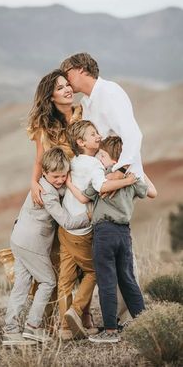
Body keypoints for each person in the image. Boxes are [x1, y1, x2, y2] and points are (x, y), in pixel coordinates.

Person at [60, 52, 145, 322]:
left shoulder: (110, 92)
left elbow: (133, 135)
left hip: (118, 181)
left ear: (81, 69)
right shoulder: (87, 102)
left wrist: (119, 172)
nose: (66, 79)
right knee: (112, 250)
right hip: (103, 183)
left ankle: (126, 318)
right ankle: (126, 315)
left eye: (67, 72)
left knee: (116, 249)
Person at [66, 135, 157, 343]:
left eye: (103, 155)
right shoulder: (132, 179)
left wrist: (70, 184)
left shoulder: (102, 177)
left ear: (113, 159)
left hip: (104, 233)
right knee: (127, 279)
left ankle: (110, 331)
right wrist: (137, 169)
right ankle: (146, 322)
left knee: (107, 281)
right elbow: (152, 192)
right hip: (124, 234)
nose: (99, 158)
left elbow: (83, 197)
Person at [27, 69, 95, 333]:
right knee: (60, 261)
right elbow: (39, 159)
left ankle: (84, 316)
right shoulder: (46, 125)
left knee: (88, 256)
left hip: (82, 195)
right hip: (59, 197)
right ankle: (53, 321)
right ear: (51, 96)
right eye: (60, 87)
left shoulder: (84, 113)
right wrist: (34, 182)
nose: (68, 89)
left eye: (68, 85)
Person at [3, 147, 91, 346]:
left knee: (21, 286)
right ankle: (33, 327)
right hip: (31, 243)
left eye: (64, 175)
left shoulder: (44, 184)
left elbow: (60, 188)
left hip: (18, 238)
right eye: (56, 176)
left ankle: (10, 331)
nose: (60, 180)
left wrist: (67, 184)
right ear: (44, 173)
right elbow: (66, 222)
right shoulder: (47, 194)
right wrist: (89, 217)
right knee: (48, 282)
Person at [58, 121, 137, 340]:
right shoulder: (94, 165)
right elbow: (101, 187)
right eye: (93, 134)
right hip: (83, 229)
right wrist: (127, 179)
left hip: (65, 228)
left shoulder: (73, 162)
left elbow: (79, 193)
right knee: (93, 272)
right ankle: (75, 311)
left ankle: (65, 327)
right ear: (81, 142)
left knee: (65, 278)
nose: (99, 136)